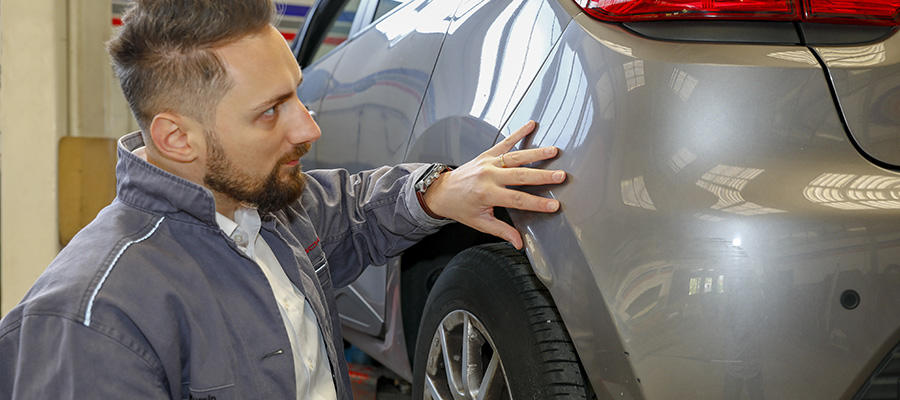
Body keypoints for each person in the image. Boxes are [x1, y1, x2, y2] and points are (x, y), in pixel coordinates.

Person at [0, 1, 566, 398]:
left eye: (296, 92)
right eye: (270, 110)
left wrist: (439, 191)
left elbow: (358, 209)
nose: (307, 128)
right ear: (177, 138)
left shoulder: (268, 210)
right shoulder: (89, 322)